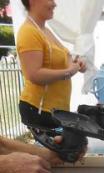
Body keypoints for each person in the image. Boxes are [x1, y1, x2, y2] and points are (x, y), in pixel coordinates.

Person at [17, 0, 86, 128]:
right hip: (40, 109)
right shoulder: (29, 32)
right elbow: (35, 74)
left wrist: (78, 62)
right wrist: (70, 71)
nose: (54, 4)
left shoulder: (45, 30)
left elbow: (66, 55)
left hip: (55, 110)